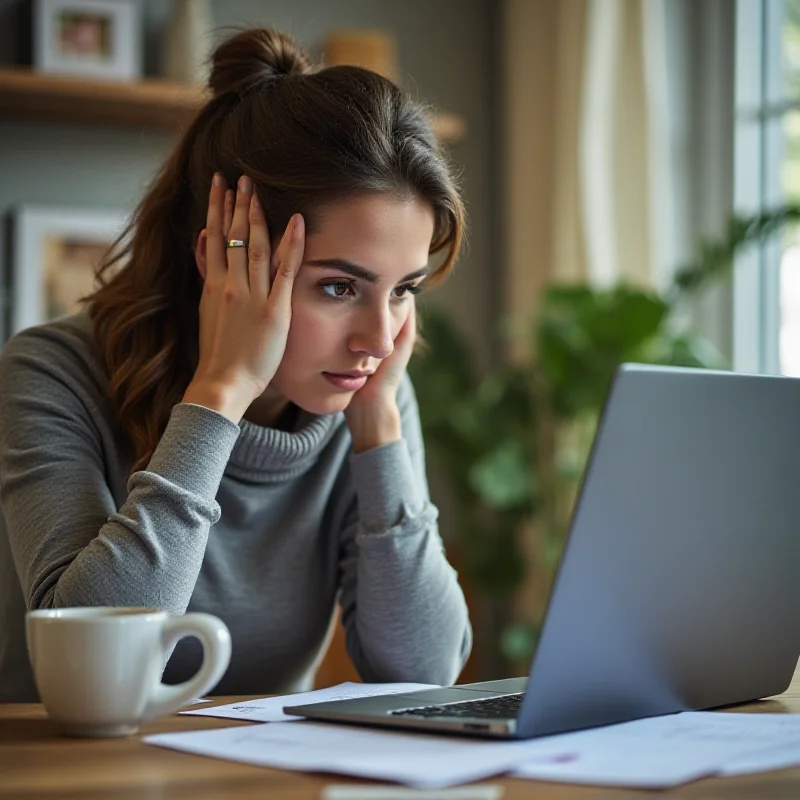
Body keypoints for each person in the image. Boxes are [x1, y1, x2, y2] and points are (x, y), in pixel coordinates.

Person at [0, 26, 472, 702]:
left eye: (403, 290)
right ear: (224, 263)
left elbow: (425, 672)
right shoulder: (52, 373)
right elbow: (99, 668)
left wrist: (379, 433)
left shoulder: (370, 391)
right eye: (339, 287)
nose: (378, 337)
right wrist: (219, 394)